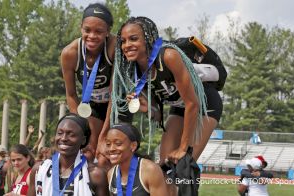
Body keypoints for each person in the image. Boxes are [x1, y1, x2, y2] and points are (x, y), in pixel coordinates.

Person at [111, 16, 207, 166]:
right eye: (123, 41)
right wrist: (148, 109)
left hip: (203, 105)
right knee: (164, 166)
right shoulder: (134, 71)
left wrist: (183, 147)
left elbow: (192, 104)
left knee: (184, 165)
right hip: (180, 107)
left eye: (133, 39)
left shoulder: (168, 56)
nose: (127, 45)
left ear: (148, 39)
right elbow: (158, 115)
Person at [61, 2, 117, 163]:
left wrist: (103, 134)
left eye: (99, 31)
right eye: (87, 30)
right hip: (92, 104)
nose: (92, 36)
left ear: (108, 31)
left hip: (116, 104)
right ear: (81, 28)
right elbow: (71, 95)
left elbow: (115, 95)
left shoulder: (114, 48)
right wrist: (81, 126)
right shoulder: (69, 53)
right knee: (89, 150)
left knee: (107, 153)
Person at [27, 113, 109, 196]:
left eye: (71, 134)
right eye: (60, 133)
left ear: (83, 140)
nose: (63, 138)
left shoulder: (95, 174)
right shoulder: (39, 169)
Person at [106, 123, 169, 196]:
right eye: (108, 144)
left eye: (118, 143)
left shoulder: (150, 170)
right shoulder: (111, 174)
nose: (111, 149)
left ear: (133, 146)